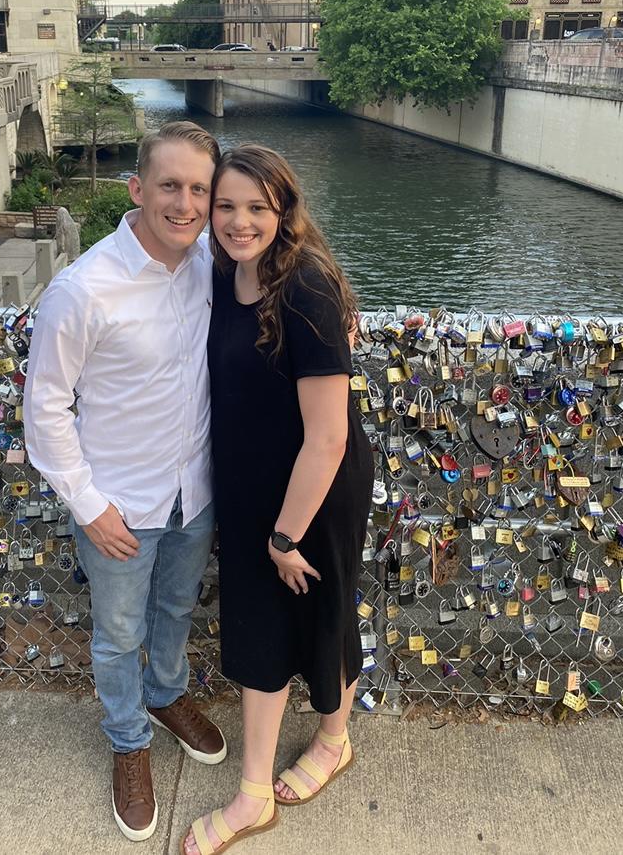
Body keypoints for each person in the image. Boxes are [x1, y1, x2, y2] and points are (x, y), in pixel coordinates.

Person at [24, 122, 227, 844]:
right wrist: (88, 503)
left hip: (193, 492)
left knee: (175, 609)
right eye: (170, 185)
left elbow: (282, 257)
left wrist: (337, 299)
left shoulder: (210, 261)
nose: (186, 203)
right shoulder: (84, 288)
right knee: (116, 634)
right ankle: (128, 739)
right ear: (136, 189)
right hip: (118, 504)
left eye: (199, 188)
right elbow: (44, 404)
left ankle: (167, 694)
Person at [181, 144, 373, 855]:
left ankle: (333, 738)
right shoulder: (223, 272)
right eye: (224, 205)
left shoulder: (308, 285)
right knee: (258, 624)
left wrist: (286, 536)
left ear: (284, 210)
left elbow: (327, 436)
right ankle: (255, 792)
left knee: (323, 609)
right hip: (250, 483)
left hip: (314, 490)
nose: (237, 221)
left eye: (256, 207)